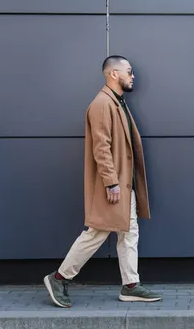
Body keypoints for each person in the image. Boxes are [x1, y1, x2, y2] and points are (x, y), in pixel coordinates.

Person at [43, 55, 162, 308]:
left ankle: (130, 285)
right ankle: (59, 277)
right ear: (113, 74)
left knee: (129, 232)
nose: (133, 76)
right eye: (129, 71)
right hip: (115, 185)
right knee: (97, 232)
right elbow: (101, 147)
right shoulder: (101, 104)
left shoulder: (118, 102)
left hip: (124, 184)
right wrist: (111, 182)